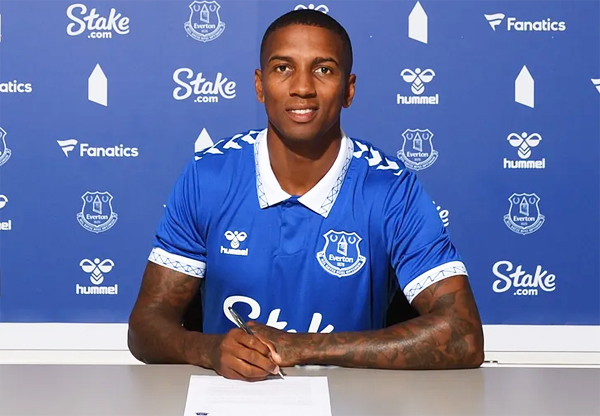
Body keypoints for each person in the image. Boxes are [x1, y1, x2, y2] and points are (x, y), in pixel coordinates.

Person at [128, 9, 484, 381]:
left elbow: (465, 335)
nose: (302, 87)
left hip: (354, 400)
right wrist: (209, 350)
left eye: (324, 69)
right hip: (234, 397)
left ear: (348, 90)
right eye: (283, 68)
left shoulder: (392, 190)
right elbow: (144, 327)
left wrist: (299, 347)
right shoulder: (209, 177)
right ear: (259, 85)